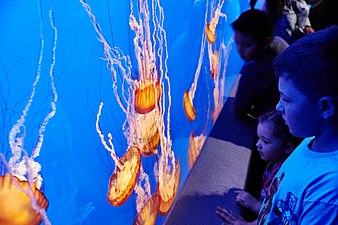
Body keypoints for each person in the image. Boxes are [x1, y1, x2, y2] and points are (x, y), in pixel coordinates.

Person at [257, 26, 338, 224]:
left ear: (325, 106)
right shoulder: (310, 140)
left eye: (286, 99)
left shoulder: (329, 192)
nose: (278, 107)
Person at [216, 110, 303, 225]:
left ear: (287, 148)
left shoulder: (285, 179)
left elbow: (279, 218)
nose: (258, 144)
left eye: (265, 141)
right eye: (258, 138)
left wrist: (251, 218)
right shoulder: (276, 162)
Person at [231, 9, 286, 120]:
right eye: (237, 43)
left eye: (247, 45)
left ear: (266, 42)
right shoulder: (279, 42)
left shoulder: (252, 73)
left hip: (274, 123)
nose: (239, 50)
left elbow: (240, 109)